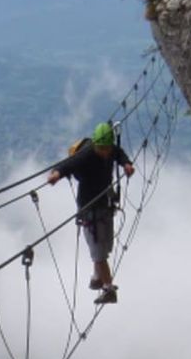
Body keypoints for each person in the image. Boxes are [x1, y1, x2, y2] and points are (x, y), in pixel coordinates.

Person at [47, 122, 135, 304]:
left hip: (104, 203)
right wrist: (56, 175)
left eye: (107, 148)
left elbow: (119, 153)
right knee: (100, 253)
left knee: (105, 246)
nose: (104, 152)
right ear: (95, 144)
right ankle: (108, 289)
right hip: (89, 208)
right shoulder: (87, 154)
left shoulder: (111, 150)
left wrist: (126, 164)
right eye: (101, 148)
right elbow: (68, 165)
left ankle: (97, 277)